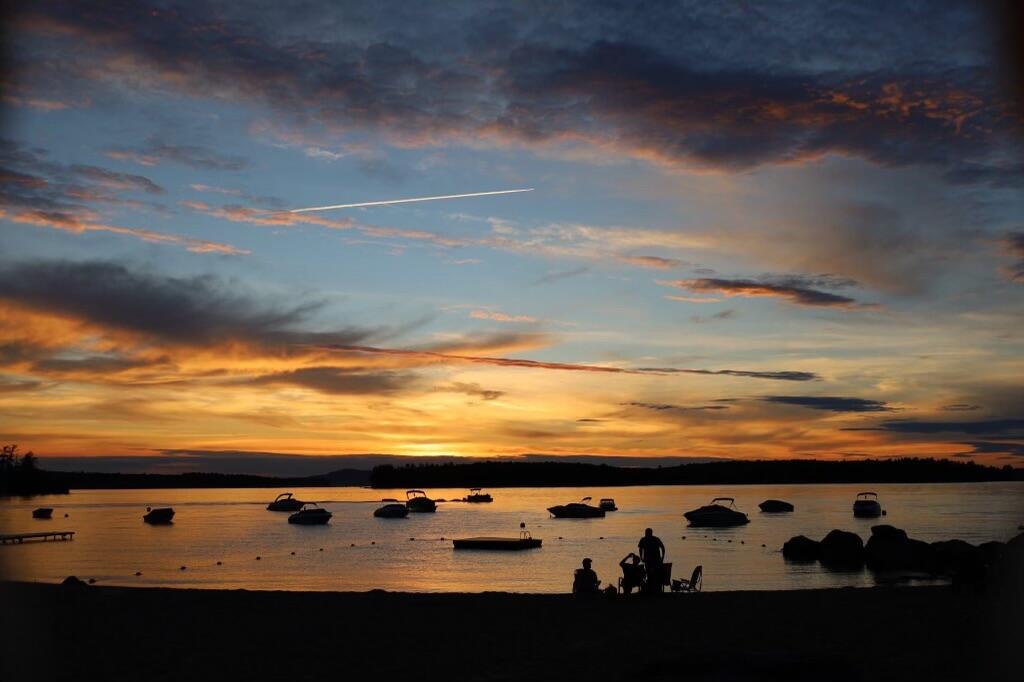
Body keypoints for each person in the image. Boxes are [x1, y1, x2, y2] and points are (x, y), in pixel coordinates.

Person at [638, 528, 666, 593]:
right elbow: (640, 549)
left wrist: (662, 558)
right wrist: (641, 557)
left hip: (655, 560)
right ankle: (652, 589)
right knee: (650, 574)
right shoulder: (644, 539)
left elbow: (662, 547)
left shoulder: (654, 539)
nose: (646, 534)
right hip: (648, 560)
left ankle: (654, 589)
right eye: (646, 533)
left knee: (654, 574)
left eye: (647, 533)